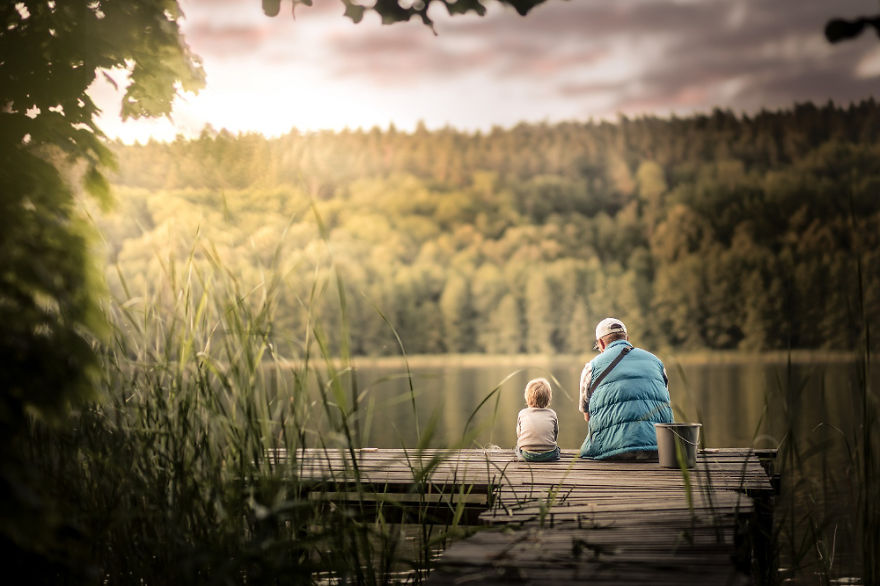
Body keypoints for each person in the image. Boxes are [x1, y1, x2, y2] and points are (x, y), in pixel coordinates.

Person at [578, 318, 673, 460]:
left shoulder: (591, 367)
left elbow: (586, 414)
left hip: (611, 451)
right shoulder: (656, 362)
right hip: (658, 448)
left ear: (601, 343)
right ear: (627, 338)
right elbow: (665, 398)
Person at [515, 378, 560, 462]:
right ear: (548, 399)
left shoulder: (522, 413)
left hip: (527, 454)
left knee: (518, 449)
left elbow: (519, 434)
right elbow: (555, 434)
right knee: (557, 450)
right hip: (549, 454)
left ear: (527, 397)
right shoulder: (552, 414)